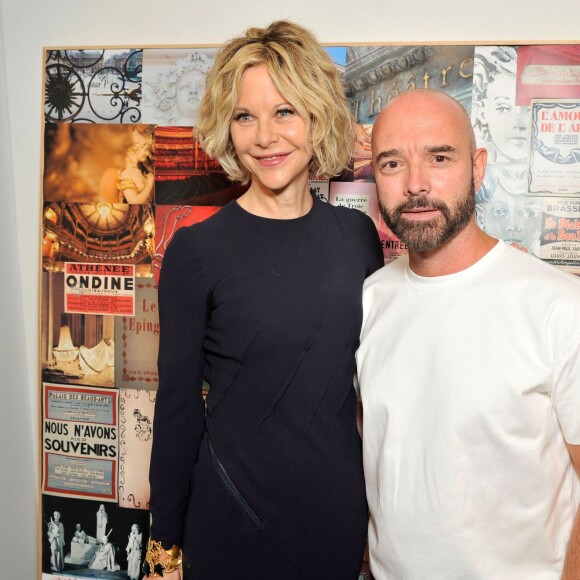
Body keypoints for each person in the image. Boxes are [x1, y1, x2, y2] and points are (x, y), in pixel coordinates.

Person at [145, 20, 383, 580]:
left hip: (335, 517)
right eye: (245, 116)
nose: (264, 136)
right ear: (227, 129)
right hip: (229, 519)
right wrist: (163, 543)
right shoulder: (196, 250)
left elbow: (374, 393)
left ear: (317, 117)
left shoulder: (358, 238)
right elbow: (177, 408)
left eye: (284, 112)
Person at [356, 88, 580, 579]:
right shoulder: (371, 298)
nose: (416, 184)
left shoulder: (558, 307)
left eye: (439, 157)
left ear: (477, 168)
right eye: (393, 164)